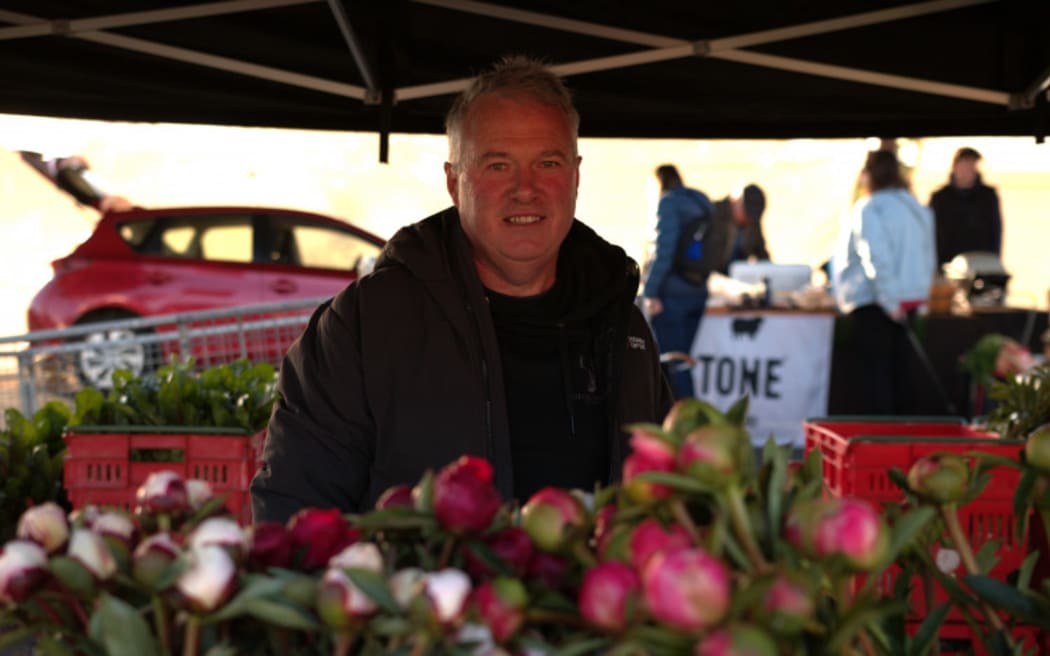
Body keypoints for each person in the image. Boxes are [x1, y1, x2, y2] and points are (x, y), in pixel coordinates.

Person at [250, 56, 673, 523]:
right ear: (454, 182)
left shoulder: (621, 326)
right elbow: (292, 514)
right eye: (497, 166)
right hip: (424, 597)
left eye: (547, 163)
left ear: (575, 176)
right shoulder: (364, 327)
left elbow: (667, 499)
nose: (525, 189)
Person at [831, 149, 936, 415]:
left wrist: (890, 301)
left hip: (878, 303)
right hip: (907, 301)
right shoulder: (917, 208)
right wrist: (920, 298)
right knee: (901, 373)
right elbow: (928, 255)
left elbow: (876, 256)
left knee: (877, 379)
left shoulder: (870, 208)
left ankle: (881, 440)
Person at [640, 165, 712, 400]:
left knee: (671, 363)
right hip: (698, 292)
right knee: (683, 362)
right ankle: (687, 421)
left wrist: (650, 292)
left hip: (671, 296)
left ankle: (683, 425)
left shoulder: (669, 203)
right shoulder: (702, 202)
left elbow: (664, 252)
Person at [929, 146, 1003, 266]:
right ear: (955, 167)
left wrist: (994, 262)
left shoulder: (988, 196)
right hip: (947, 264)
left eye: (971, 165)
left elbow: (996, 232)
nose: (968, 171)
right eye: (965, 165)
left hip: (981, 265)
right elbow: (931, 234)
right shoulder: (939, 198)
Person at [707, 183, 770, 275]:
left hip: (738, 275)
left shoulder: (753, 223)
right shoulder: (714, 214)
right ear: (736, 201)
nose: (747, 220)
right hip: (713, 275)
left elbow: (762, 253)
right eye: (746, 214)